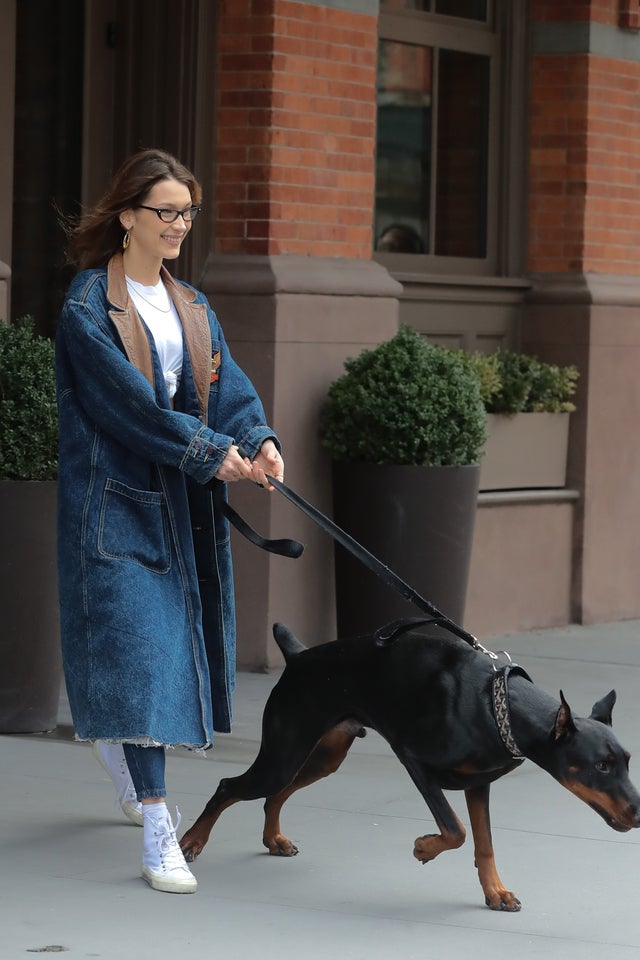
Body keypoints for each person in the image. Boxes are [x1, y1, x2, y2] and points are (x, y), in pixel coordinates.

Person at [56, 148, 284, 895]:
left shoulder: (193, 305)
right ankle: (159, 825)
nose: (179, 224)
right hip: (113, 514)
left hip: (181, 515)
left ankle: (124, 760)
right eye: (166, 211)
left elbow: (228, 385)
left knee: (155, 666)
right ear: (127, 215)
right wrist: (211, 452)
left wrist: (259, 442)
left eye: (187, 211)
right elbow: (129, 408)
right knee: (145, 659)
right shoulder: (89, 308)